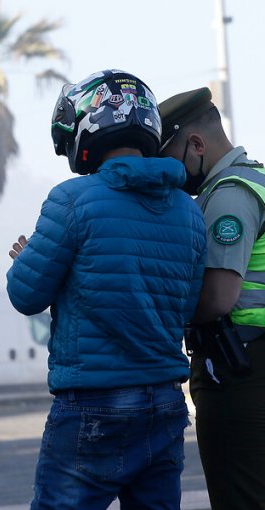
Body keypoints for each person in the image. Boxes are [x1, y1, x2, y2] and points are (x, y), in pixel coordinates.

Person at [6, 70, 207, 510]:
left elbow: (26, 295)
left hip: (93, 405)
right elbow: (186, 307)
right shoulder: (190, 215)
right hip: (165, 403)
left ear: (87, 129)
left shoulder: (72, 200)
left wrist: (26, 261)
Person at [159, 87, 265, 510]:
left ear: (196, 145)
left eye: (169, 163)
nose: (170, 178)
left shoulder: (228, 196)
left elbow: (218, 297)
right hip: (248, 359)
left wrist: (158, 310)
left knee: (240, 495)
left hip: (240, 368)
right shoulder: (255, 179)